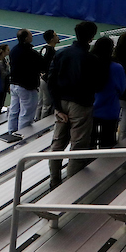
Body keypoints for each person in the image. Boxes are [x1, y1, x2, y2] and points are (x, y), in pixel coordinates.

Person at [46, 21, 107, 188]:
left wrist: (58, 107)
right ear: (91, 37)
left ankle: (55, 181)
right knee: (78, 146)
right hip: (81, 106)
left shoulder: (61, 54)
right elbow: (99, 85)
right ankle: (70, 189)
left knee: (58, 144)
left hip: (62, 104)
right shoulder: (92, 59)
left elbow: (50, 80)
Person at [91, 36, 126, 149]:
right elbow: (122, 88)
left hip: (90, 110)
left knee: (90, 141)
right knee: (108, 142)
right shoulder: (117, 68)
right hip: (110, 110)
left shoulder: (89, 63)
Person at [7, 29, 43, 139]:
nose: (32, 36)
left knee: (14, 111)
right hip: (26, 86)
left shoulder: (13, 50)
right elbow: (41, 65)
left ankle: (11, 132)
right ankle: (22, 137)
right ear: (26, 38)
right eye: (31, 35)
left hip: (14, 84)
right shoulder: (30, 53)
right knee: (26, 113)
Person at [36, 29, 59, 119]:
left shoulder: (44, 49)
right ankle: (42, 126)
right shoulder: (52, 52)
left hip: (42, 79)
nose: (57, 37)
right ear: (52, 39)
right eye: (55, 35)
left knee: (40, 102)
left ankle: (37, 120)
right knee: (47, 104)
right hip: (47, 80)